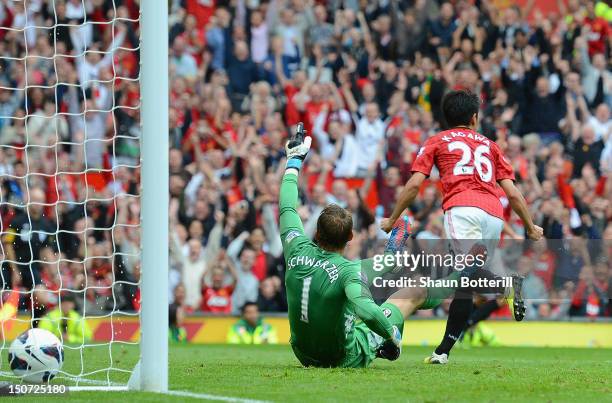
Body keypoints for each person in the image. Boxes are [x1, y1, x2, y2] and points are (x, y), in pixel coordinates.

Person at [381, 90, 544, 364]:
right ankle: (442, 351)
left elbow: (413, 186)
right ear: (474, 118)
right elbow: (513, 194)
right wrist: (530, 226)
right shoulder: (491, 146)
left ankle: (507, 285)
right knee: (464, 281)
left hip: (462, 208)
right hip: (494, 215)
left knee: (464, 274)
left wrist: (392, 219)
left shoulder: (437, 141)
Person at [279, 124, 446, 368]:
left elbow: (287, 207)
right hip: (341, 357)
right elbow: (367, 309)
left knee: (348, 307)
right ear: (350, 238)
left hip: (302, 353)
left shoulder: (295, 246)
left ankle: (395, 258)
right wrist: (392, 335)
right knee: (416, 291)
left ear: (316, 233)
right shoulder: (350, 271)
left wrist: (294, 161)